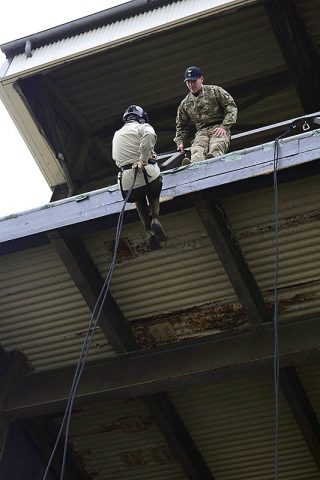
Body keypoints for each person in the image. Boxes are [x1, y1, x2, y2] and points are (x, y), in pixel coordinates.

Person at [112, 105, 167, 251]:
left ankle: (148, 231)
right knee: (153, 193)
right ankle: (155, 218)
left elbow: (116, 158)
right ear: (141, 118)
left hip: (127, 181)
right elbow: (149, 135)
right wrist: (143, 158)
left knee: (138, 198)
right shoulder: (143, 127)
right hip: (148, 175)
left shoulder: (117, 134)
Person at [174, 66, 238, 165]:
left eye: (193, 81)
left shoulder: (215, 91)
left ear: (201, 79)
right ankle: (194, 165)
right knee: (197, 149)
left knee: (217, 145)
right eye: (188, 82)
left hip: (218, 127)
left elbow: (231, 108)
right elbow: (181, 125)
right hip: (201, 131)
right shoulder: (185, 103)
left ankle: (213, 160)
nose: (191, 85)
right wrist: (180, 142)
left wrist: (224, 127)